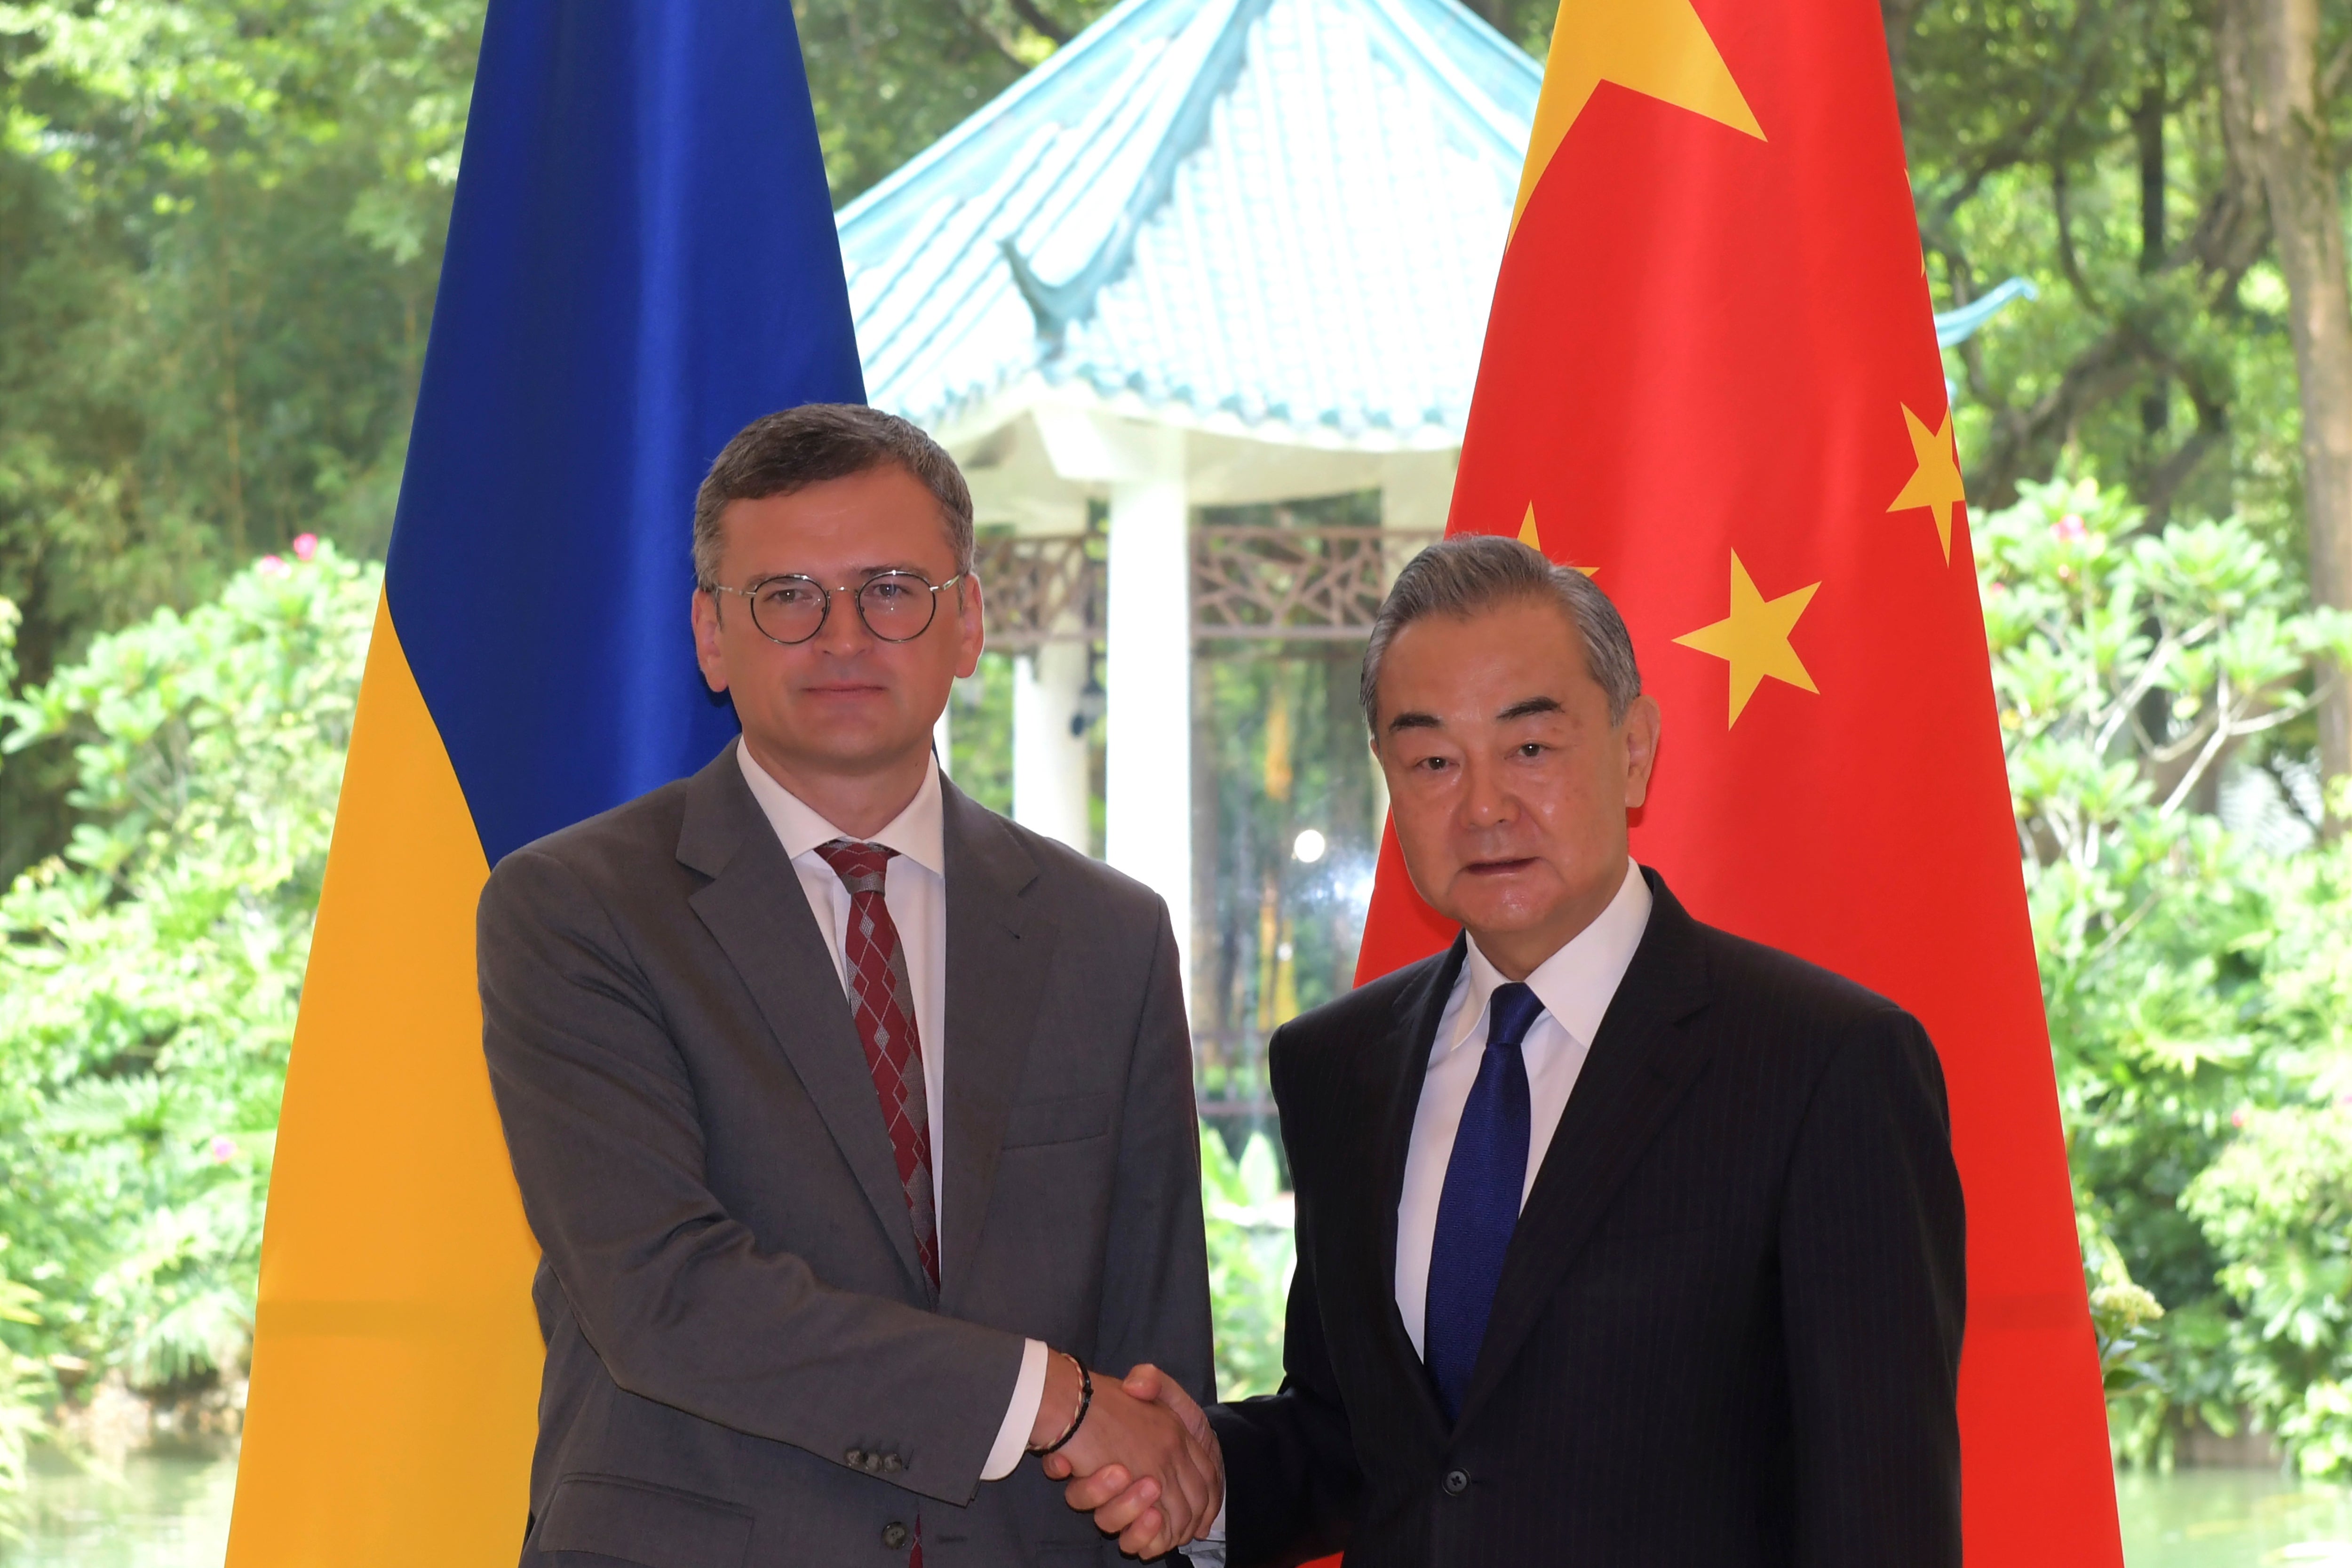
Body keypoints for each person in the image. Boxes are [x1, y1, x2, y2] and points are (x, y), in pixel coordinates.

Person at [1070, 535, 1966, 1566]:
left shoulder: (1825, 1063)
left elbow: (1881, 1514)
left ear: (1634, 749)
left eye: (1530, 748)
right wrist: (1194, 1472)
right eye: (1433, 760)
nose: (1484, 804)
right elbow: (1361, 1441)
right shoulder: (1335, 1065)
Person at [477, 404, 1218, 1567]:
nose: (842, 636)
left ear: (965, 622)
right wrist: (1047, 1397)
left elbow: (1155, 1364)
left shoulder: (1109, 934)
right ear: (712, 638)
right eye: (786, 597)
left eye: (890, 588)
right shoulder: (576, 910)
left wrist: (1165, 1478)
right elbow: (665, 1296)